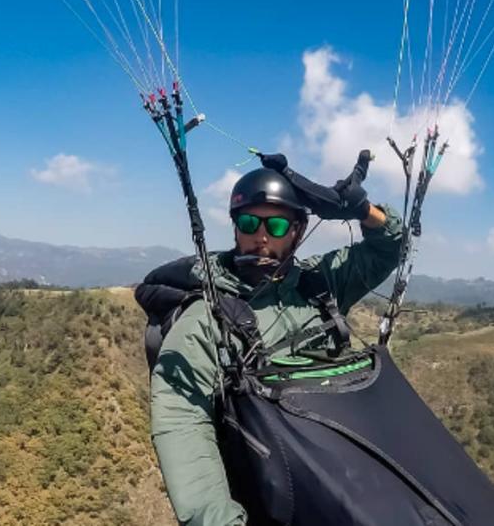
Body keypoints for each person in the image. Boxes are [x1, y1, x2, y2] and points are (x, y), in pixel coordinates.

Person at [138, 160, 404, 526]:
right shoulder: (208, 316)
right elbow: (182, 416)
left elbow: (389, 248)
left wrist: (363, 210)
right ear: (235, 227)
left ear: (298, 231)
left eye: (276, 225)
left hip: (343, 476)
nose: (261, 236)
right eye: (249, 223)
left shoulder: (319, 283)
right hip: (275, 496)